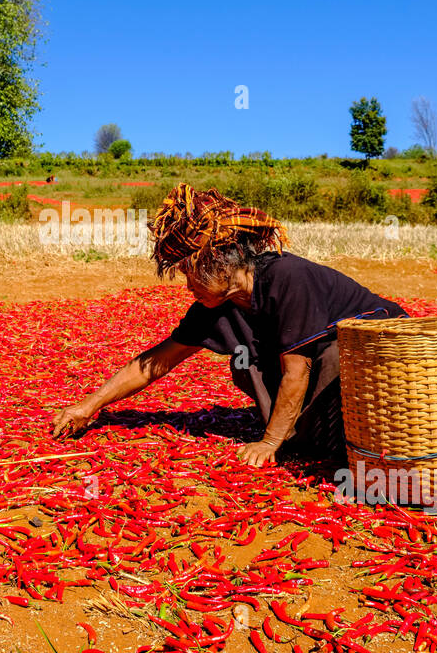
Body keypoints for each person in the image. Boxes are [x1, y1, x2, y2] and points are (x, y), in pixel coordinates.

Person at [51, 184, 409, 467]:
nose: (188, 286)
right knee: (247, 364)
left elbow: (298, 371)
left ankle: (332, 438)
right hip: (328, 384)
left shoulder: (288, 277)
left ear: (219, 262)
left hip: (388, 365)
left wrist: (270, 442)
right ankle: (307, 436)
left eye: (191, 274)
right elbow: (154, 363)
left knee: (330, 353)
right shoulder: (217, 304)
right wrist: (89, 406)